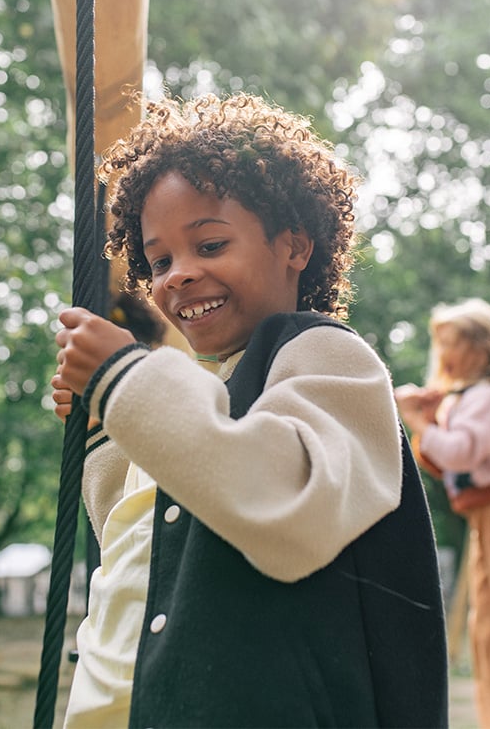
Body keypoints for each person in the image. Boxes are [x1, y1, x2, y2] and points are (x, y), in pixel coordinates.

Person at [52, 92, 447, 728]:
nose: (176, 275)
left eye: (208, 246)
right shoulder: (190, 386)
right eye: (159, 260)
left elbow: (282, 509)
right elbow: (139, 553)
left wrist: (127, 380)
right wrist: (107, 428)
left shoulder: (323, 358)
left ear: (294, 246)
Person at [396, 297, 490, 729]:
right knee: (483, 623)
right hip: (480, 517)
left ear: (480, 347)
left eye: (452, 344)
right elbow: (442, 464)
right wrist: (432, 419)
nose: (445, 356)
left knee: (489, 623)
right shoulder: (464, 399)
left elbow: (462, 451)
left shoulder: (485, 396)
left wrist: (419, 422)